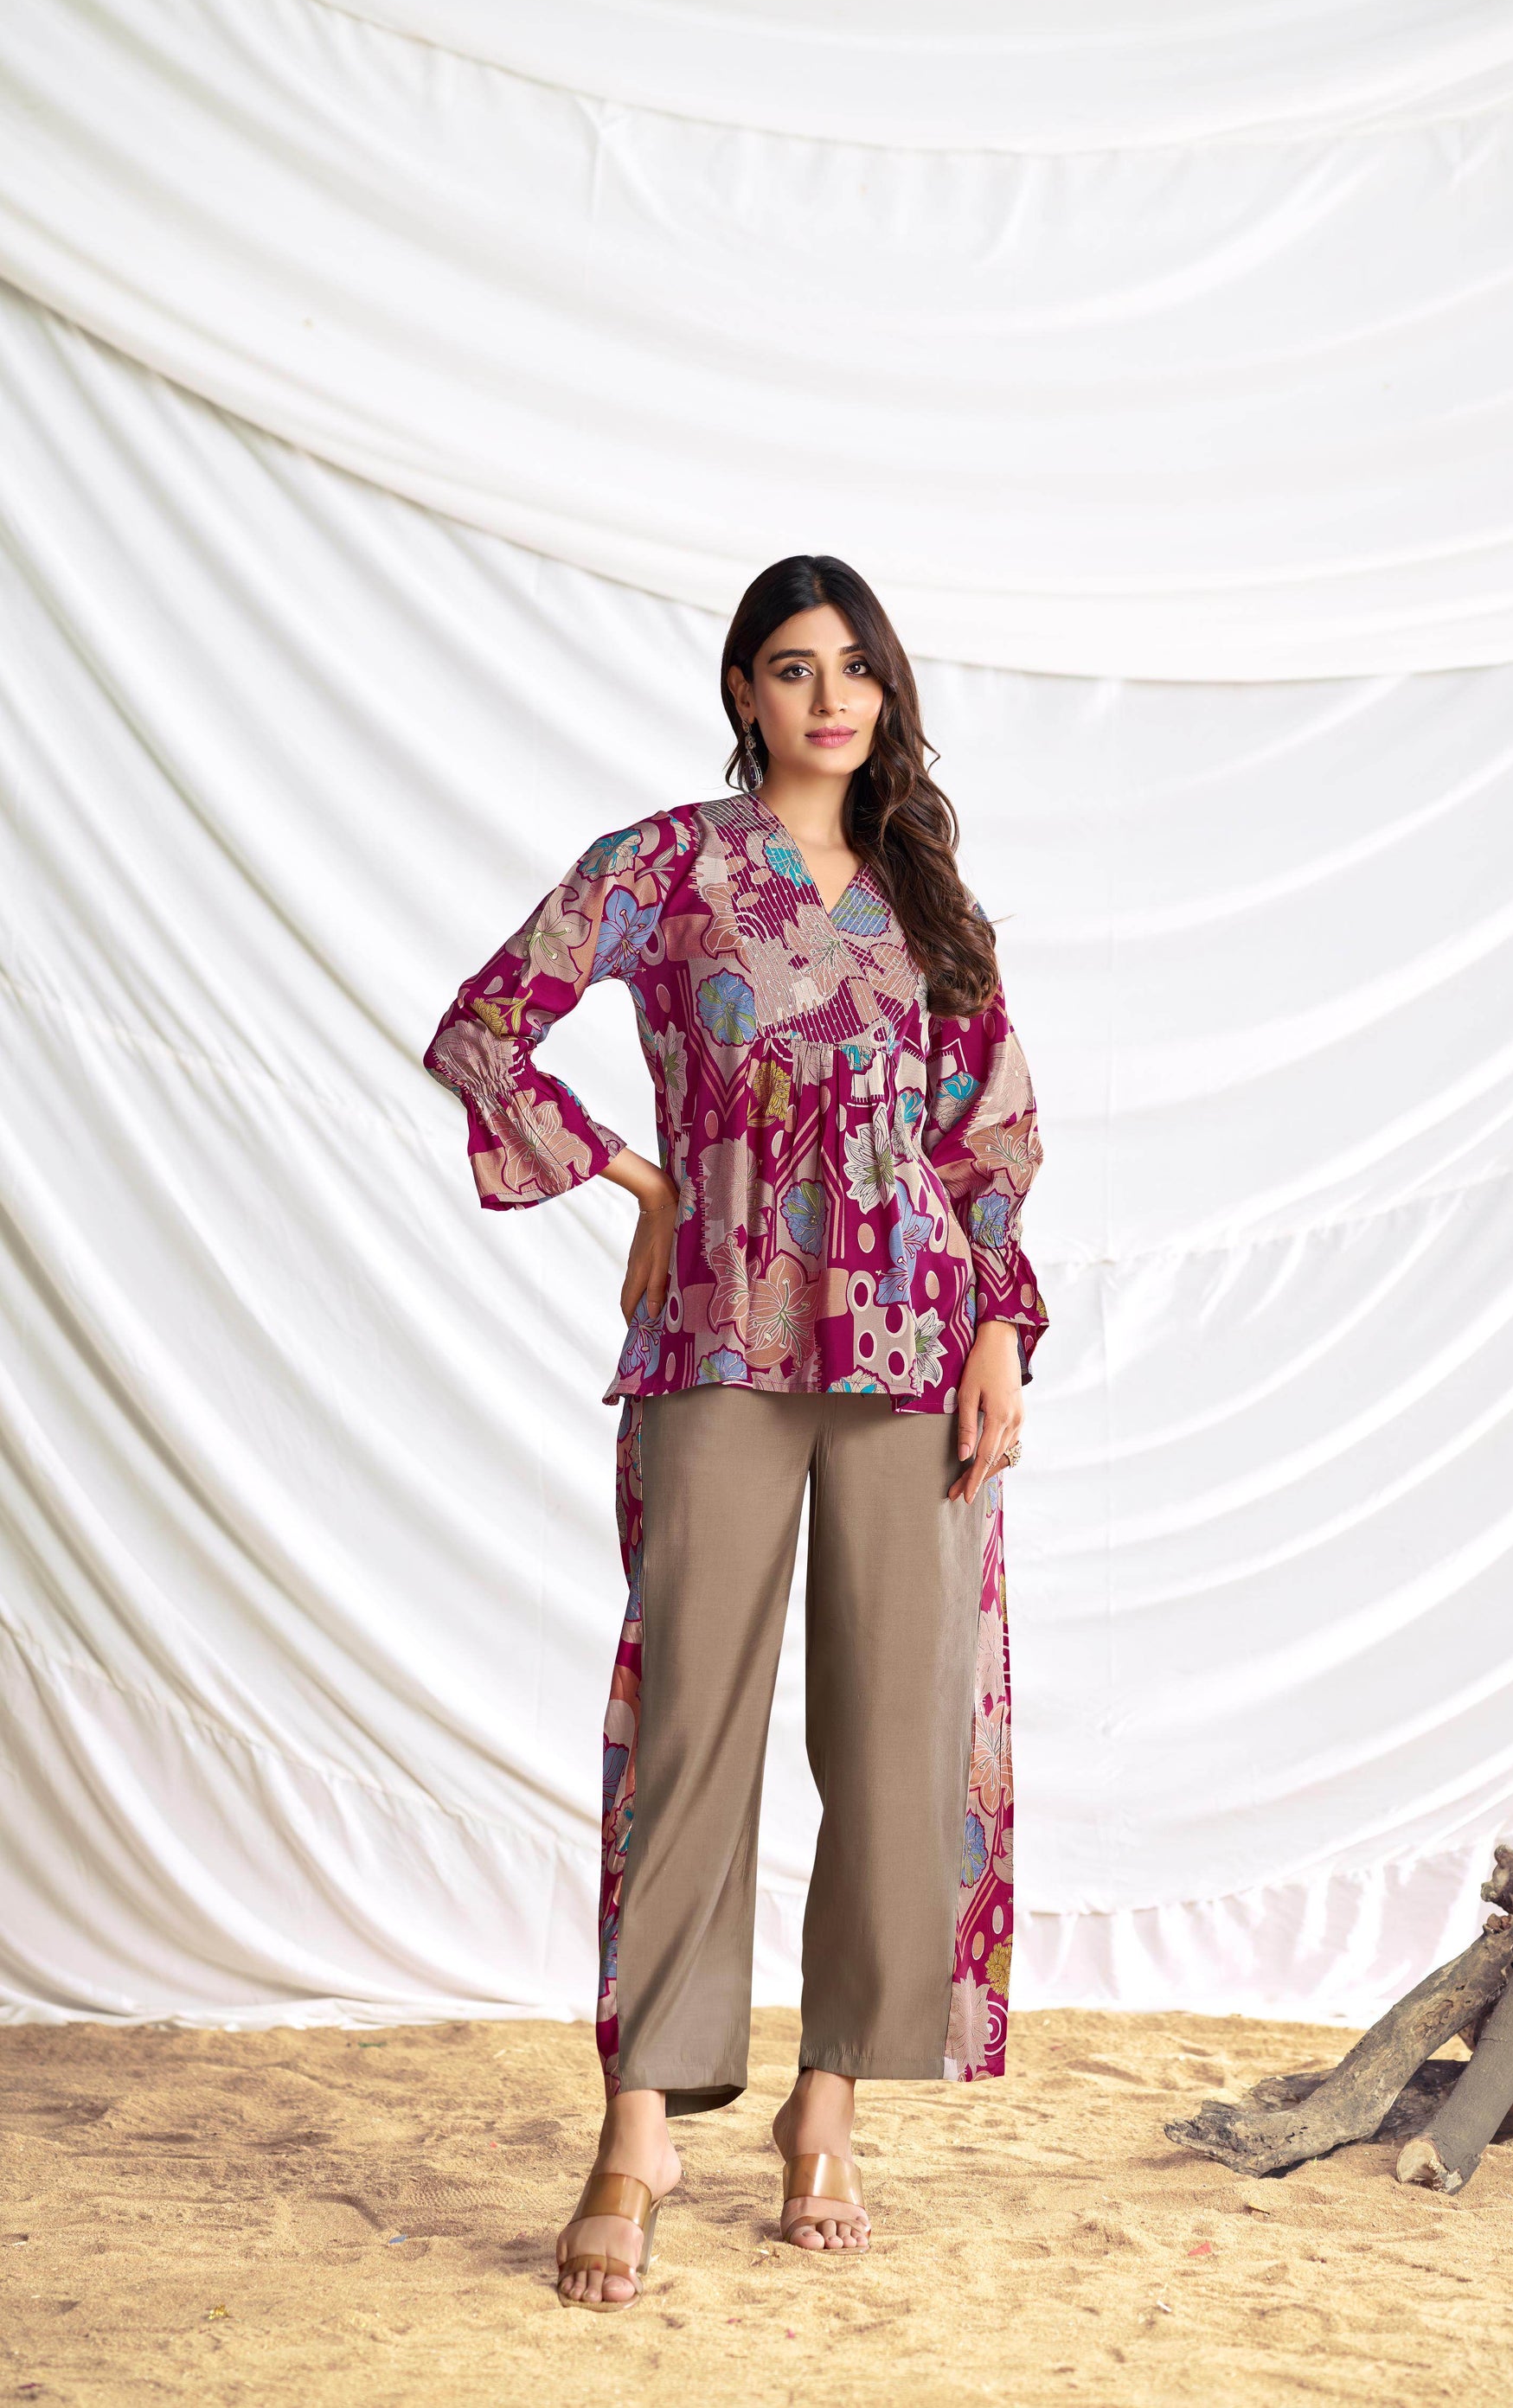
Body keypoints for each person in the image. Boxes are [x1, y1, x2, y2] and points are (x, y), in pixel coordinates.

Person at [425, 553, 1047, 2311]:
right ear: (742, 691)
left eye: (856, 667)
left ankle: (824, 2107)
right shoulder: (667, 868)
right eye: (792, 666)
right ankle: (638, 2127)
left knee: (898, 1733)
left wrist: (1000, 1326)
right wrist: (635, 1177)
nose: (829, 698)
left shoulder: (929, 903)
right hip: (715, 1333)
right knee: (692, 1723)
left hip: (916, 1346)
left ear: (886, 692)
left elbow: (988, 1141)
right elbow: (483, 1030)